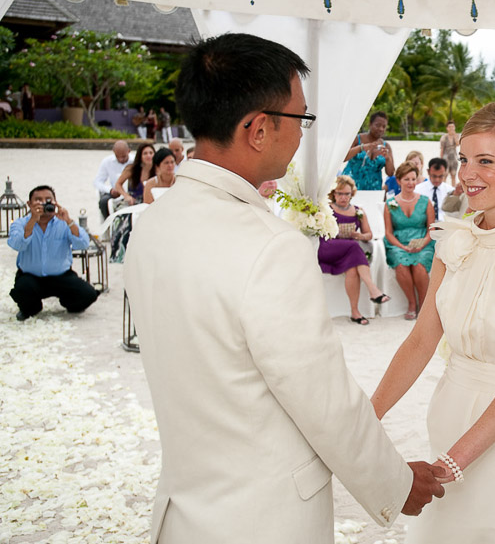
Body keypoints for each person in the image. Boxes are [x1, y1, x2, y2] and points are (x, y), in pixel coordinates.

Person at [123, 33, 445, 544]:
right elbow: (322, 398)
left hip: (184, 513)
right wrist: (397, 482)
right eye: (301, 119)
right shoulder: (270, 245)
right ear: (257, 129)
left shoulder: (153, 226)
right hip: (263, 519)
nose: (302, 136)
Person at [371, 101, 495, 544]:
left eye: (485, 161)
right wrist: (369, 415)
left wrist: (453, 462)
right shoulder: (456, 238)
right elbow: (422, 340)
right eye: (464, 159)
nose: (467, 174)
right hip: (448, 411)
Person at [8, 185, 98, 320]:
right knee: (24, 295)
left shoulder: (64, 222)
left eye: (48, 200)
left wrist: (68, 221)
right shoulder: (21, 223)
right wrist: (32, 221)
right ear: (29, 204)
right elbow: (17, 244)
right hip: (30, 276)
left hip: (61, 276)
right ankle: (32, 307)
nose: (43, 204)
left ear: (55, 202)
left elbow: (83, 243)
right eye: (38, 200)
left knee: (88, 294)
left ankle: (68, 302)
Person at [319, 174, 392, 325]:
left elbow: (369, 234)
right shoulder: (326, 209)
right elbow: (320, 231)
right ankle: (373, 289)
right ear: (334, 194)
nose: (343, 197)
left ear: (352, 194)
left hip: (347, 253)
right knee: (353, 246)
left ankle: (355, 312)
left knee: (352, 269)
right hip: (328, 247)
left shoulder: (359, 211)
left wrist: (359, 235)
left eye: (347, 194)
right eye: (340, 193)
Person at [383, 161, 436, 321]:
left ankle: (424, 306)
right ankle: (412, 304)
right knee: (400, 264)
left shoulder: (426, 201)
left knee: (419, 266)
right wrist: (403, 247)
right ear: (399, 181)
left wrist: (422, 244)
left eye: (414, 179)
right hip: (398, 244)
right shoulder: (390, 203)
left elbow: (431, 229)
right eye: (407, 179)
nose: (411, 183)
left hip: (423, 242)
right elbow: (388, 233)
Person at [109, 143, 155, 262]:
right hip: (133, 201)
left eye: (151, 153)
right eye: (145, 153)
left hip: (151, 202)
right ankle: (120, 253)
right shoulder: (132, 169)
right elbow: (118, 184)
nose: (148, 156)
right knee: (124, 218)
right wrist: (126, 196)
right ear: (140, 156)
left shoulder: (158, 169)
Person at [343, 111, 395, 190]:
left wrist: (388, 159)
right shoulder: (357, 139)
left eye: (384, 127)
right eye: (377, 125)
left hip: (373, 188)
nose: (381, 129)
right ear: (370, 124)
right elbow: (343, 158)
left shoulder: (386, 146)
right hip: (350, 187)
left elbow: (390, 173)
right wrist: (361, 148)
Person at [93, 140, 130, 220]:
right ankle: (109, 223)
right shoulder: (107, 161)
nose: (120, 159)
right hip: (114, 192)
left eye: (123, 156)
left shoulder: (134, 161)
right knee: (103, 202)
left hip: (130, 192)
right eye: (117, 156)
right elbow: (97, 181)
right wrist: (110, 190)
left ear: (128, 151)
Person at [415, 157, 454, 223]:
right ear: (428, 172)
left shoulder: (451, 191)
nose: (437, 180)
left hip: (444, 227)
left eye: (441, 176)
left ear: (445, 173)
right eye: (434, 176)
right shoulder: (417, 190)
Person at [440, 120, 460, 188]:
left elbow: (457, 144)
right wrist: (441, 160)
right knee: (444, 175)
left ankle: (453, 190)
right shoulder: (444, 137)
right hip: (446, 158)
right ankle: (443, 189)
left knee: (453, 175)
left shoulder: (456, 136)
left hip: (454, 158)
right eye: (450, 127)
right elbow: (442, 149)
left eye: (453, 126)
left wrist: (454, 136)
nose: (451, 128)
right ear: (447, 128)